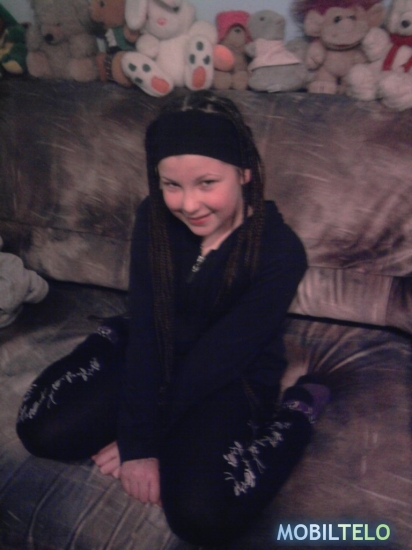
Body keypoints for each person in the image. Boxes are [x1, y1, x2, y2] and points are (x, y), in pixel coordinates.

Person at [16, 90, 330, 546]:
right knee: (40, 428)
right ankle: (107, 338)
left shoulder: (282, 253)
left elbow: (217, 361)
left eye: (207, 183)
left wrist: (144, 440)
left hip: (228, 377)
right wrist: (138, 435)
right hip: (153, 350)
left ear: (244, 172)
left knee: (203, 517)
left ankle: (300, 409)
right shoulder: (153, 218)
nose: (188, 204)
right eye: (171, 185)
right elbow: (147, 328)